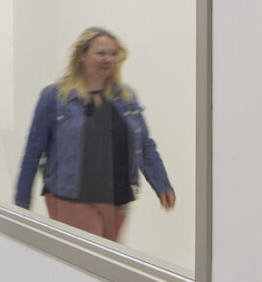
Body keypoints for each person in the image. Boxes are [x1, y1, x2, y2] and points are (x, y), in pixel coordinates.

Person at [15, 27, 175, 242]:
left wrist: (162, 183)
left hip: (118, 199)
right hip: (72, 198)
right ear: (82, 55)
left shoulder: (126, 98)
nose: (108, 58)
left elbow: (145, 145)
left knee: (107, 268)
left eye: (113, 53)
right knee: (85, 266)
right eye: (101, 53)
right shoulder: (55, 97)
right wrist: (21, 205)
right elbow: (33, 151)